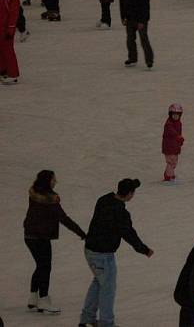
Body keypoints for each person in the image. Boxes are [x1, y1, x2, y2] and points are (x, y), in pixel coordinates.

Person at [79, 179, 153, 327]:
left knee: (99, 283)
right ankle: (106, 323)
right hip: (102, 255)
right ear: (130, 194)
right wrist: (144, 249)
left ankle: (87, 319)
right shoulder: (120, 212)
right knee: (108, 289)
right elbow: (129, 234)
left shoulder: (104, 199)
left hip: (90, 249)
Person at [23, 170, 86, 315]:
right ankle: (43, 300)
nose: (56, 181)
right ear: (48, 181)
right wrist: (81, 233)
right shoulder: (50, 200)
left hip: (29, 236)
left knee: (40, 265)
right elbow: (63, 218)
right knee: (45, 267)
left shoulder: (33, 194)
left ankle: (33, 297)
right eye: (53, 179)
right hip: (41, 237)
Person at [119, 0, 154, 69]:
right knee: (130, 40)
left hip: (140, 20)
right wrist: (123, 17)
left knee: (144, 40)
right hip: (130, 19)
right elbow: (122, 4)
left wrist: (142, 21)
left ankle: (149, 60)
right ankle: (132, 58)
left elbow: (145, 7)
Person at [0, 0, 21, 84]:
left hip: (6, 31)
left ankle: (13, 74)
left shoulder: (13, 0)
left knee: (8, 52)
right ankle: (3, 70)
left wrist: (10, 30)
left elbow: (13, 16)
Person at [162, 103, 185, 182]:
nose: (175, 116)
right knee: (171, 161)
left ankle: (169, 173)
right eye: (173, 114)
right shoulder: (169, 124)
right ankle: (168, 177)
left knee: (174, 162)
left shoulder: (179, 123)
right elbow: (173, 133)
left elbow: (179, 133)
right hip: (169, 147)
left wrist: (179, 142)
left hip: (175, 146)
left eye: (177, 114)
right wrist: (179, 138)